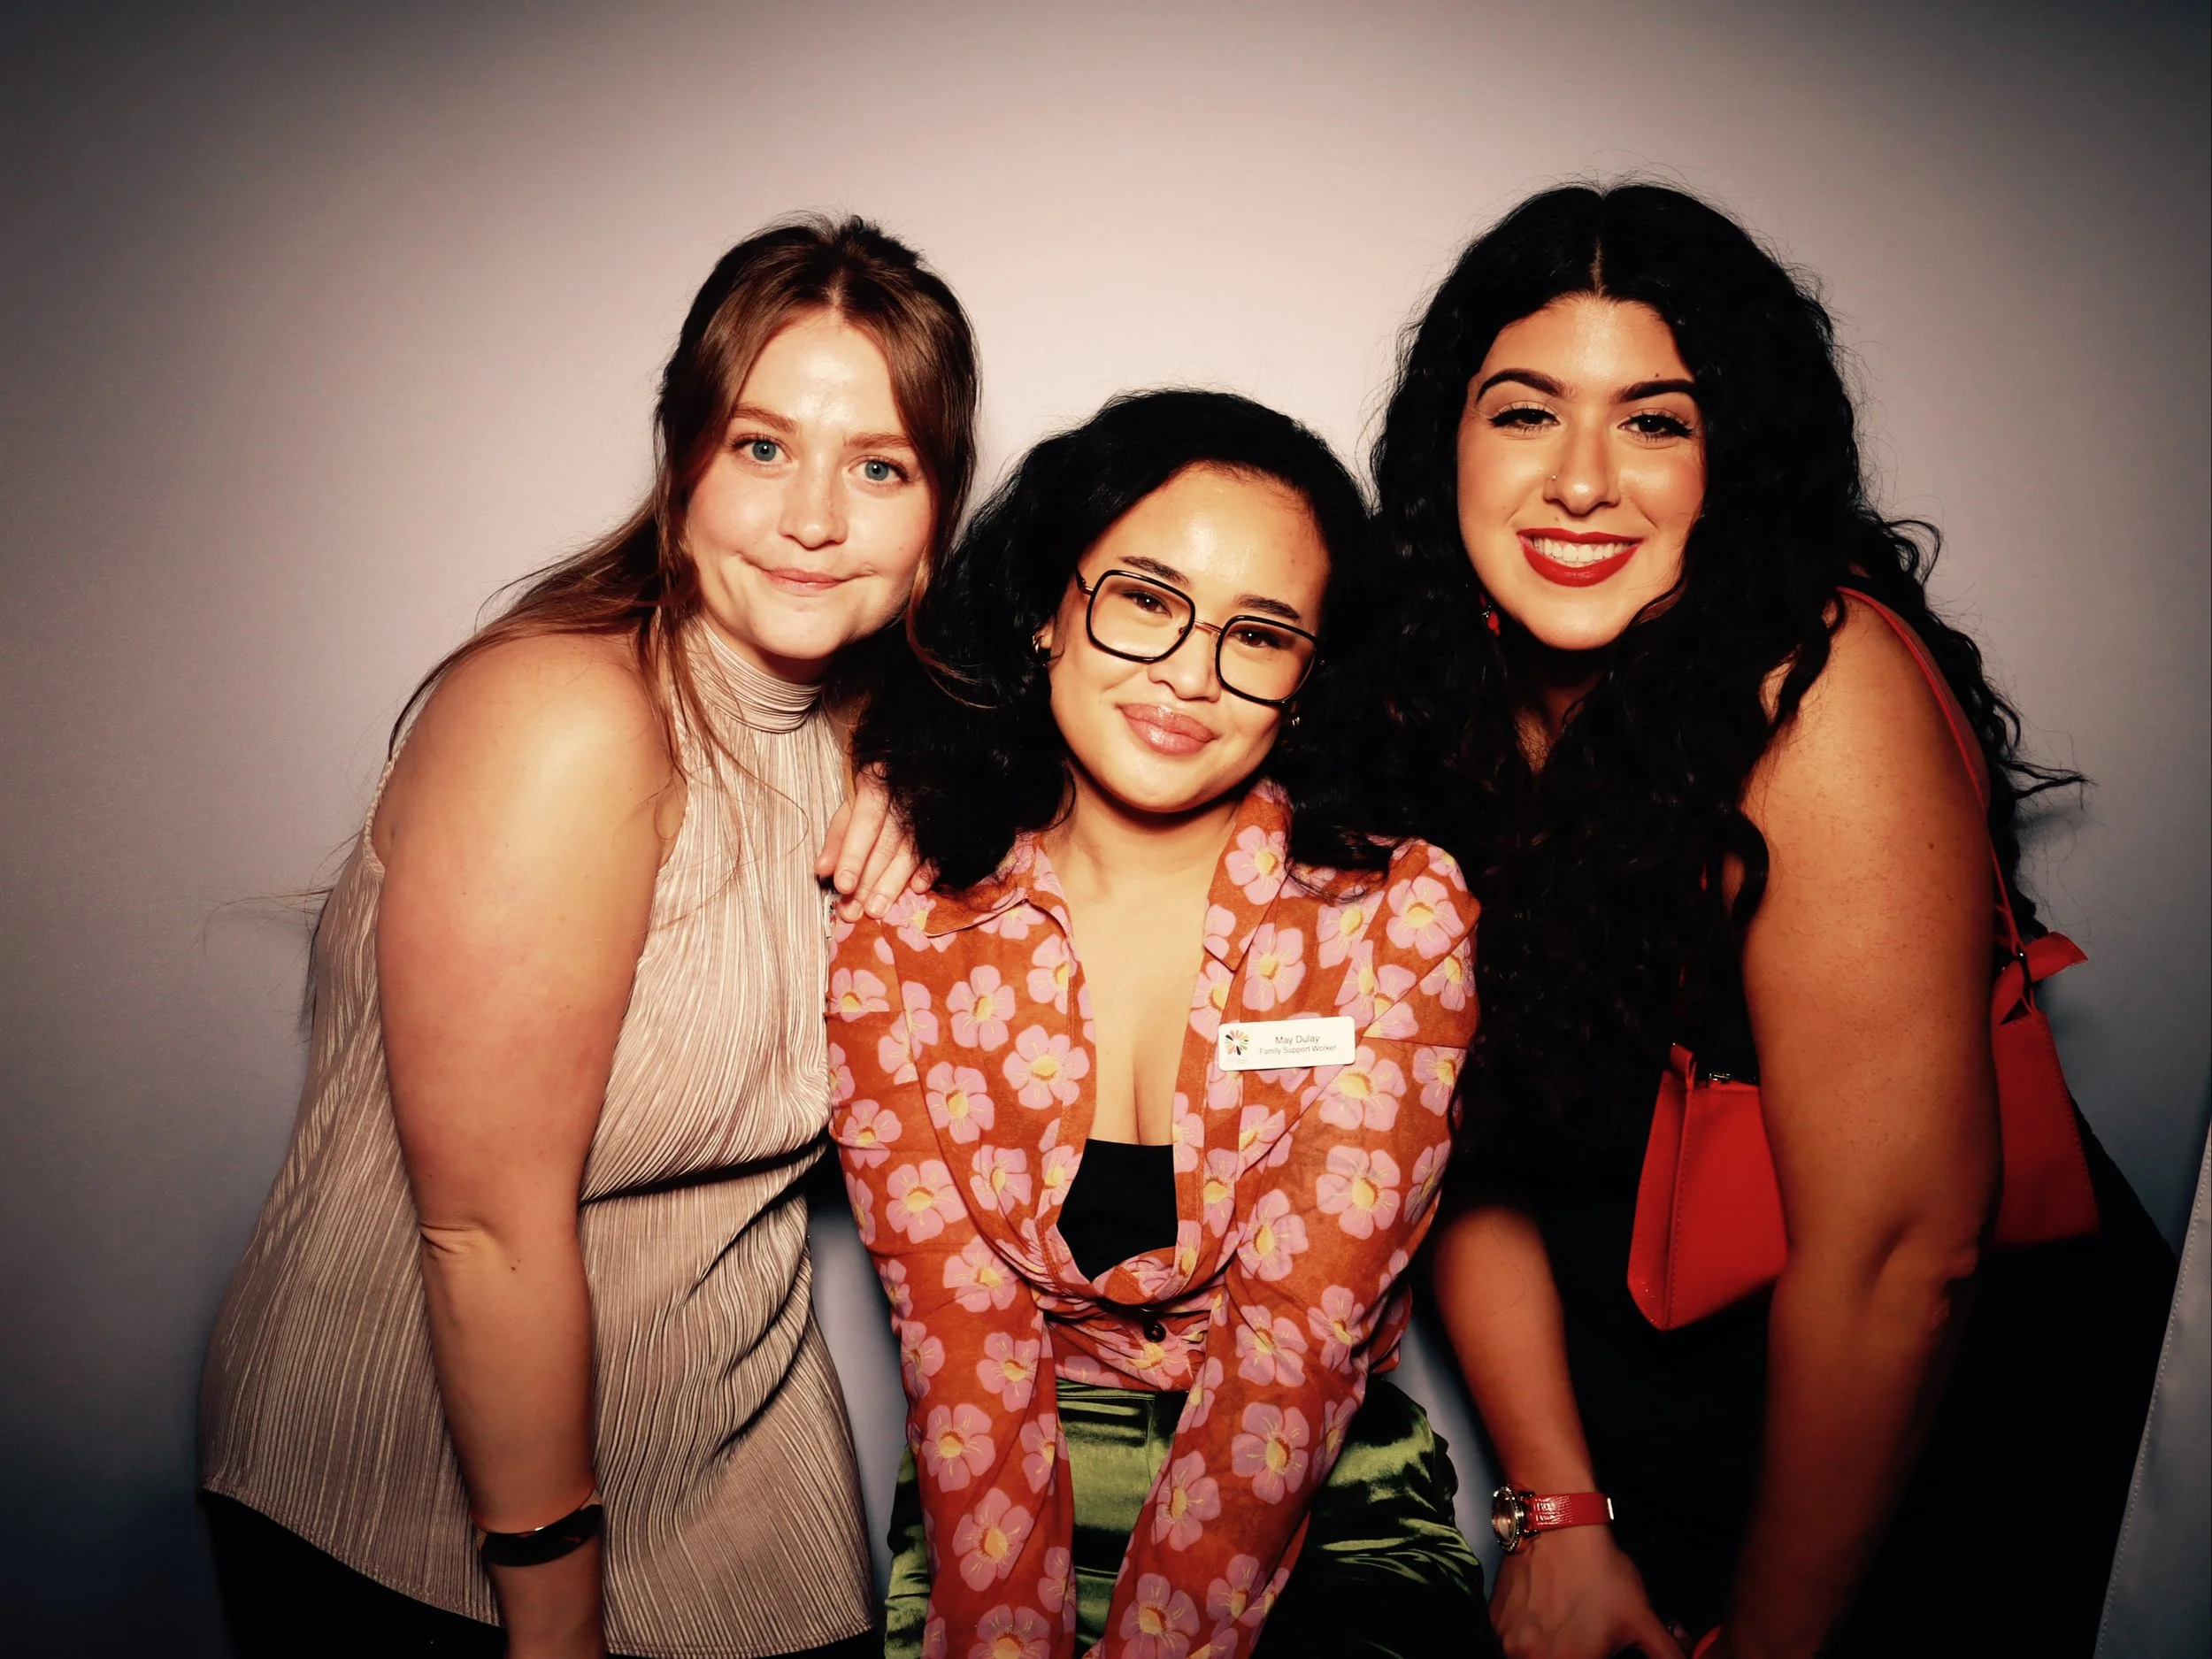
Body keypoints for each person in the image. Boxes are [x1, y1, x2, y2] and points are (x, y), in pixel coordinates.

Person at [1370, 182, 2176, 1657]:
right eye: (1528, 412)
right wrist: (1561, 1514)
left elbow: (1899, 1253)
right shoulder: (1434, 702)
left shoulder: (1819, 688)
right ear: (1451, 441)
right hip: (1659, 1474)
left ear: (1737, 456)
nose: (1584, 482)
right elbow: (1453, 1144)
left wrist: (1777, 1639)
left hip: (1947, 1476)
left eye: (1657, 421)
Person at [199, 216, 975, 1659]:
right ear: (679, 466)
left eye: (880, 465)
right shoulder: (563, 716)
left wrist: (937, 780)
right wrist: (552, 1620)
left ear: (938, 513)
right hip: (426, 1511)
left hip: (739, 1492)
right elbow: (483, 1227)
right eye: (760, 447)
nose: (816, 514)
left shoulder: (877, 741)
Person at [832, 389, 1493, 1659]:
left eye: (1261, 633)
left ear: (1308, 679)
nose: (1192, 671)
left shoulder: (1398, 917)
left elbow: (1299, 1341)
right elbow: (958, 1335)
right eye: (1144, 597)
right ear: (1045, 608)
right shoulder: (902, 911)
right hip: (998, 1479)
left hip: (1320, 1492)